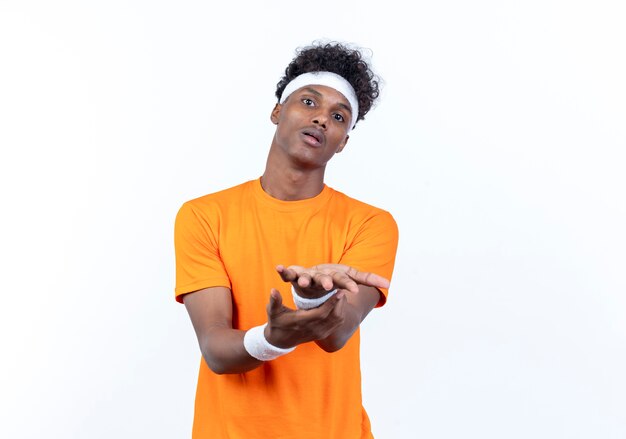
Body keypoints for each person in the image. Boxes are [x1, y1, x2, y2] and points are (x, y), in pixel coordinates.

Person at [174, 41, 399, 438]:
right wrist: (272, 338)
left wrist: (312, 299)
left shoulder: (370, 223)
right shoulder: (204, 216)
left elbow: (337, 333)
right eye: (308, 102)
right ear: (278, 111)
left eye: (338, 115)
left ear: (343, 141)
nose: (321, 120)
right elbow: (216, 350)